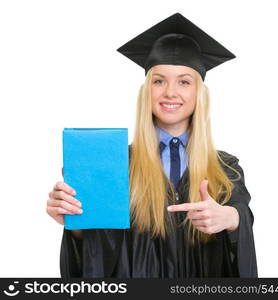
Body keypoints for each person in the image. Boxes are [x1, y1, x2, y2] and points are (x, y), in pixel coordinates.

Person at [46, 13, 258, 278]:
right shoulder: (115, 164)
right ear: (147, 90)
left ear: (198, 93)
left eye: (183, 81)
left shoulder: (226, 168)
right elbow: (97, 245)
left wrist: (229, 218)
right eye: (159, 80)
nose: (170, 91)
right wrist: (74, 219)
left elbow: (241, 217)